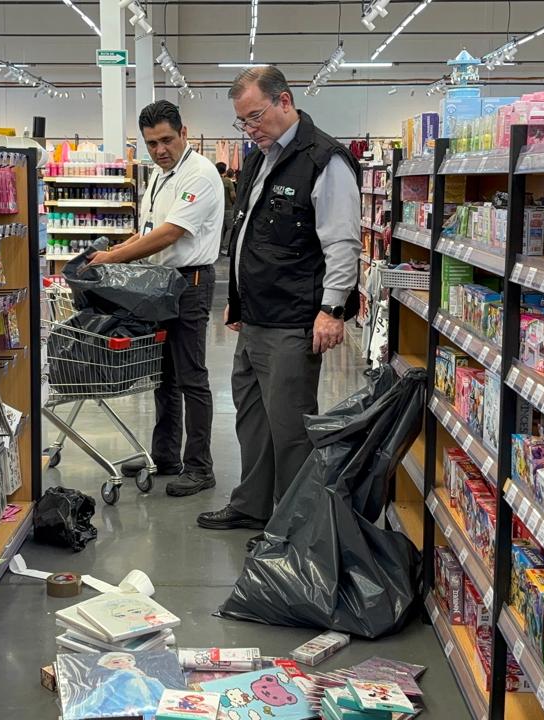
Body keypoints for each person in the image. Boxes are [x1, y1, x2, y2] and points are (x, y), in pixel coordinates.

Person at [197, 65, 361, 534]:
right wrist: (238, 297)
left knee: (289, 430)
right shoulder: (259, 159)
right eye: (242, 121)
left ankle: (292, 527)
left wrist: (332, 309)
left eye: (255, 116)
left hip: (294, 320)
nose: (250, 129)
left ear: (284, 101)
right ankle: (252, 505)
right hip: (255, 317)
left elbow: (342, 242)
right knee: (252, 419)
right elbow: (247, 234)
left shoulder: (324, 159)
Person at [88, 100, 224, 497]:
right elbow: (149, 230)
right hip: (160, 284)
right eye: (151, 143)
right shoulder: (160, 176)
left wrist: (114, 258)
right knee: (163, 376)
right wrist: (115, 250)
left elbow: (170, 233)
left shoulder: (199, 174)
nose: (160, 150)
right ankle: (166, 456)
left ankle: (200, 467)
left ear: (184, 133)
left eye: (166, 140)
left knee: (191, 377)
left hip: (189, 284)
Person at [215, 161, 236, 255]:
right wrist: (234, 203)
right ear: (224, 170)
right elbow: (233, 195)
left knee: (219, 229)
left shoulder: (213, 180)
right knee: (230, 228)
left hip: (216, 209)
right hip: (228, 208)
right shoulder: (227, 181)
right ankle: (225, 247)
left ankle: (217, 248)